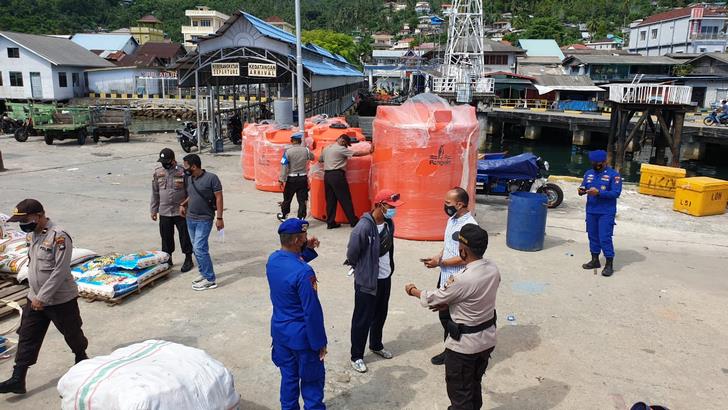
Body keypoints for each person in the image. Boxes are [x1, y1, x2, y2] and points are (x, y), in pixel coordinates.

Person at [405, 223, 500, 410]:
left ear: (463, 250)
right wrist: (449, 302)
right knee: (474, 385)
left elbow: (432, 298)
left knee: (460, 395)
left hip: (465, 347)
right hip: (487, 339)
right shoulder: (492, 269)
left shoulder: (463, 279)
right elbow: (473, 297)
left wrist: (413, 290)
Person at [0, 199, 88, 395]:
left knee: (72, 333)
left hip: (60, 299)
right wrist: (34, 295)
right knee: (27, 336)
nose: (23, 225)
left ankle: (82, 360)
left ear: (39, 216)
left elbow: (60, 271)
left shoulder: (59, 236)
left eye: (26, 220)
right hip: (34, 297)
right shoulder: (32, 236)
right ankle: (17, 379)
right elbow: (33, 264)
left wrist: (43, 297)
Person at [266, 219, 327, 410]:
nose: (306, 239)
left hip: (281, 334)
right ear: (296, 240)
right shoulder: (305, 272)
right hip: (303, 339)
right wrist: (319, 343)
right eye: (303, 237)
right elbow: (311, 311)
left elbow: (290, 267)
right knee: (312, 384)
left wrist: (306, 249)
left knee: (289, 380)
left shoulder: (273, 260)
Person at [346, 190, 404, 373]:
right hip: (367, 281)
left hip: (385, 278)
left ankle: (376, 345)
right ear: (380, 205)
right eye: (391, 207)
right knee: (362, 318)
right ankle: (356, 356)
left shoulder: (389, 224)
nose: (394, 210)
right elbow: (352, 253)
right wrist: (362, 269)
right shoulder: (363, 227)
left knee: (380, 314)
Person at [422, 187, 478, 365]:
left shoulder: (469, 227)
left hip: (459, 279)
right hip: (445, 276)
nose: (444, 206)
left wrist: (441, 263)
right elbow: (449, 246)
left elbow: (466, 258)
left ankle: (455, 352)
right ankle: (451, 349)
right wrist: (439, 257)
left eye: (448, 203)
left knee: (454, 317)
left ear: (460, 204)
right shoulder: (452, 219)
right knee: (445, 315)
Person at [180, 154, 224, 291]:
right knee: (196, 248)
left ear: (194, 166)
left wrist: (219, 218)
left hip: (204, 219)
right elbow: (192, 195)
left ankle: (210, 279)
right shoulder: (189, 178)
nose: (184, 169)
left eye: (186, 166)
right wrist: (183, 204)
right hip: (190, 218)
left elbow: (219, 198)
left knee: (200, 248)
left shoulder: (212, 178)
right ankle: (203, 273)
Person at [578, 149, 622, 277]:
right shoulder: (589, 173)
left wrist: (599, 193)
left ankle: (609, 264)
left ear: (604, 162)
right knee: (592, 236)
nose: (595, 164)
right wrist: (581, 190)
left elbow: (616, 193)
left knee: (605, 238)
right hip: (591, 210)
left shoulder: (614, 175)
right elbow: (584, 186)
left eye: (597, 162)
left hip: (606, 212)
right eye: (593, 162)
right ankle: (595, 260)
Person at [151, 148, 194, 272]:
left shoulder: (182, 172)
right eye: (162, 161)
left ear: (172, 160)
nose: (164, 163)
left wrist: (187, 205)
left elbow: (190, 190)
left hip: (181, 211)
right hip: (164, 211)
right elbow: (155, 192)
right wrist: (153, 210)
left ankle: (188, 258)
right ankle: (167, 258)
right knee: (166, 237)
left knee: (185, 236)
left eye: (166, 161)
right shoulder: (158, 172)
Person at [318, 135, 372, 229]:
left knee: (330, 200)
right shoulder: (340, 149)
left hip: (327, 176)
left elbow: (320, 159)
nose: (345, 146)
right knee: (345, 199)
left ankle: (330, 222)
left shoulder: (327, 148)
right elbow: (356, 153)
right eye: (346, 144)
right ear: (343, 141)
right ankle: (353, 221)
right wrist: (369, 151)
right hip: (337, 175)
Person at [277, 132, 314, 222]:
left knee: (287, 198)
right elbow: (312, 158)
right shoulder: (306, 150)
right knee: (302, 199)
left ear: (292, 141)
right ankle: (301, 217)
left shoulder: (288, 152)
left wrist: (281, 179)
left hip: (291, 179)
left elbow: (284, 166)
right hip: (303, 178)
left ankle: (284, 215)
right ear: (300, 141)